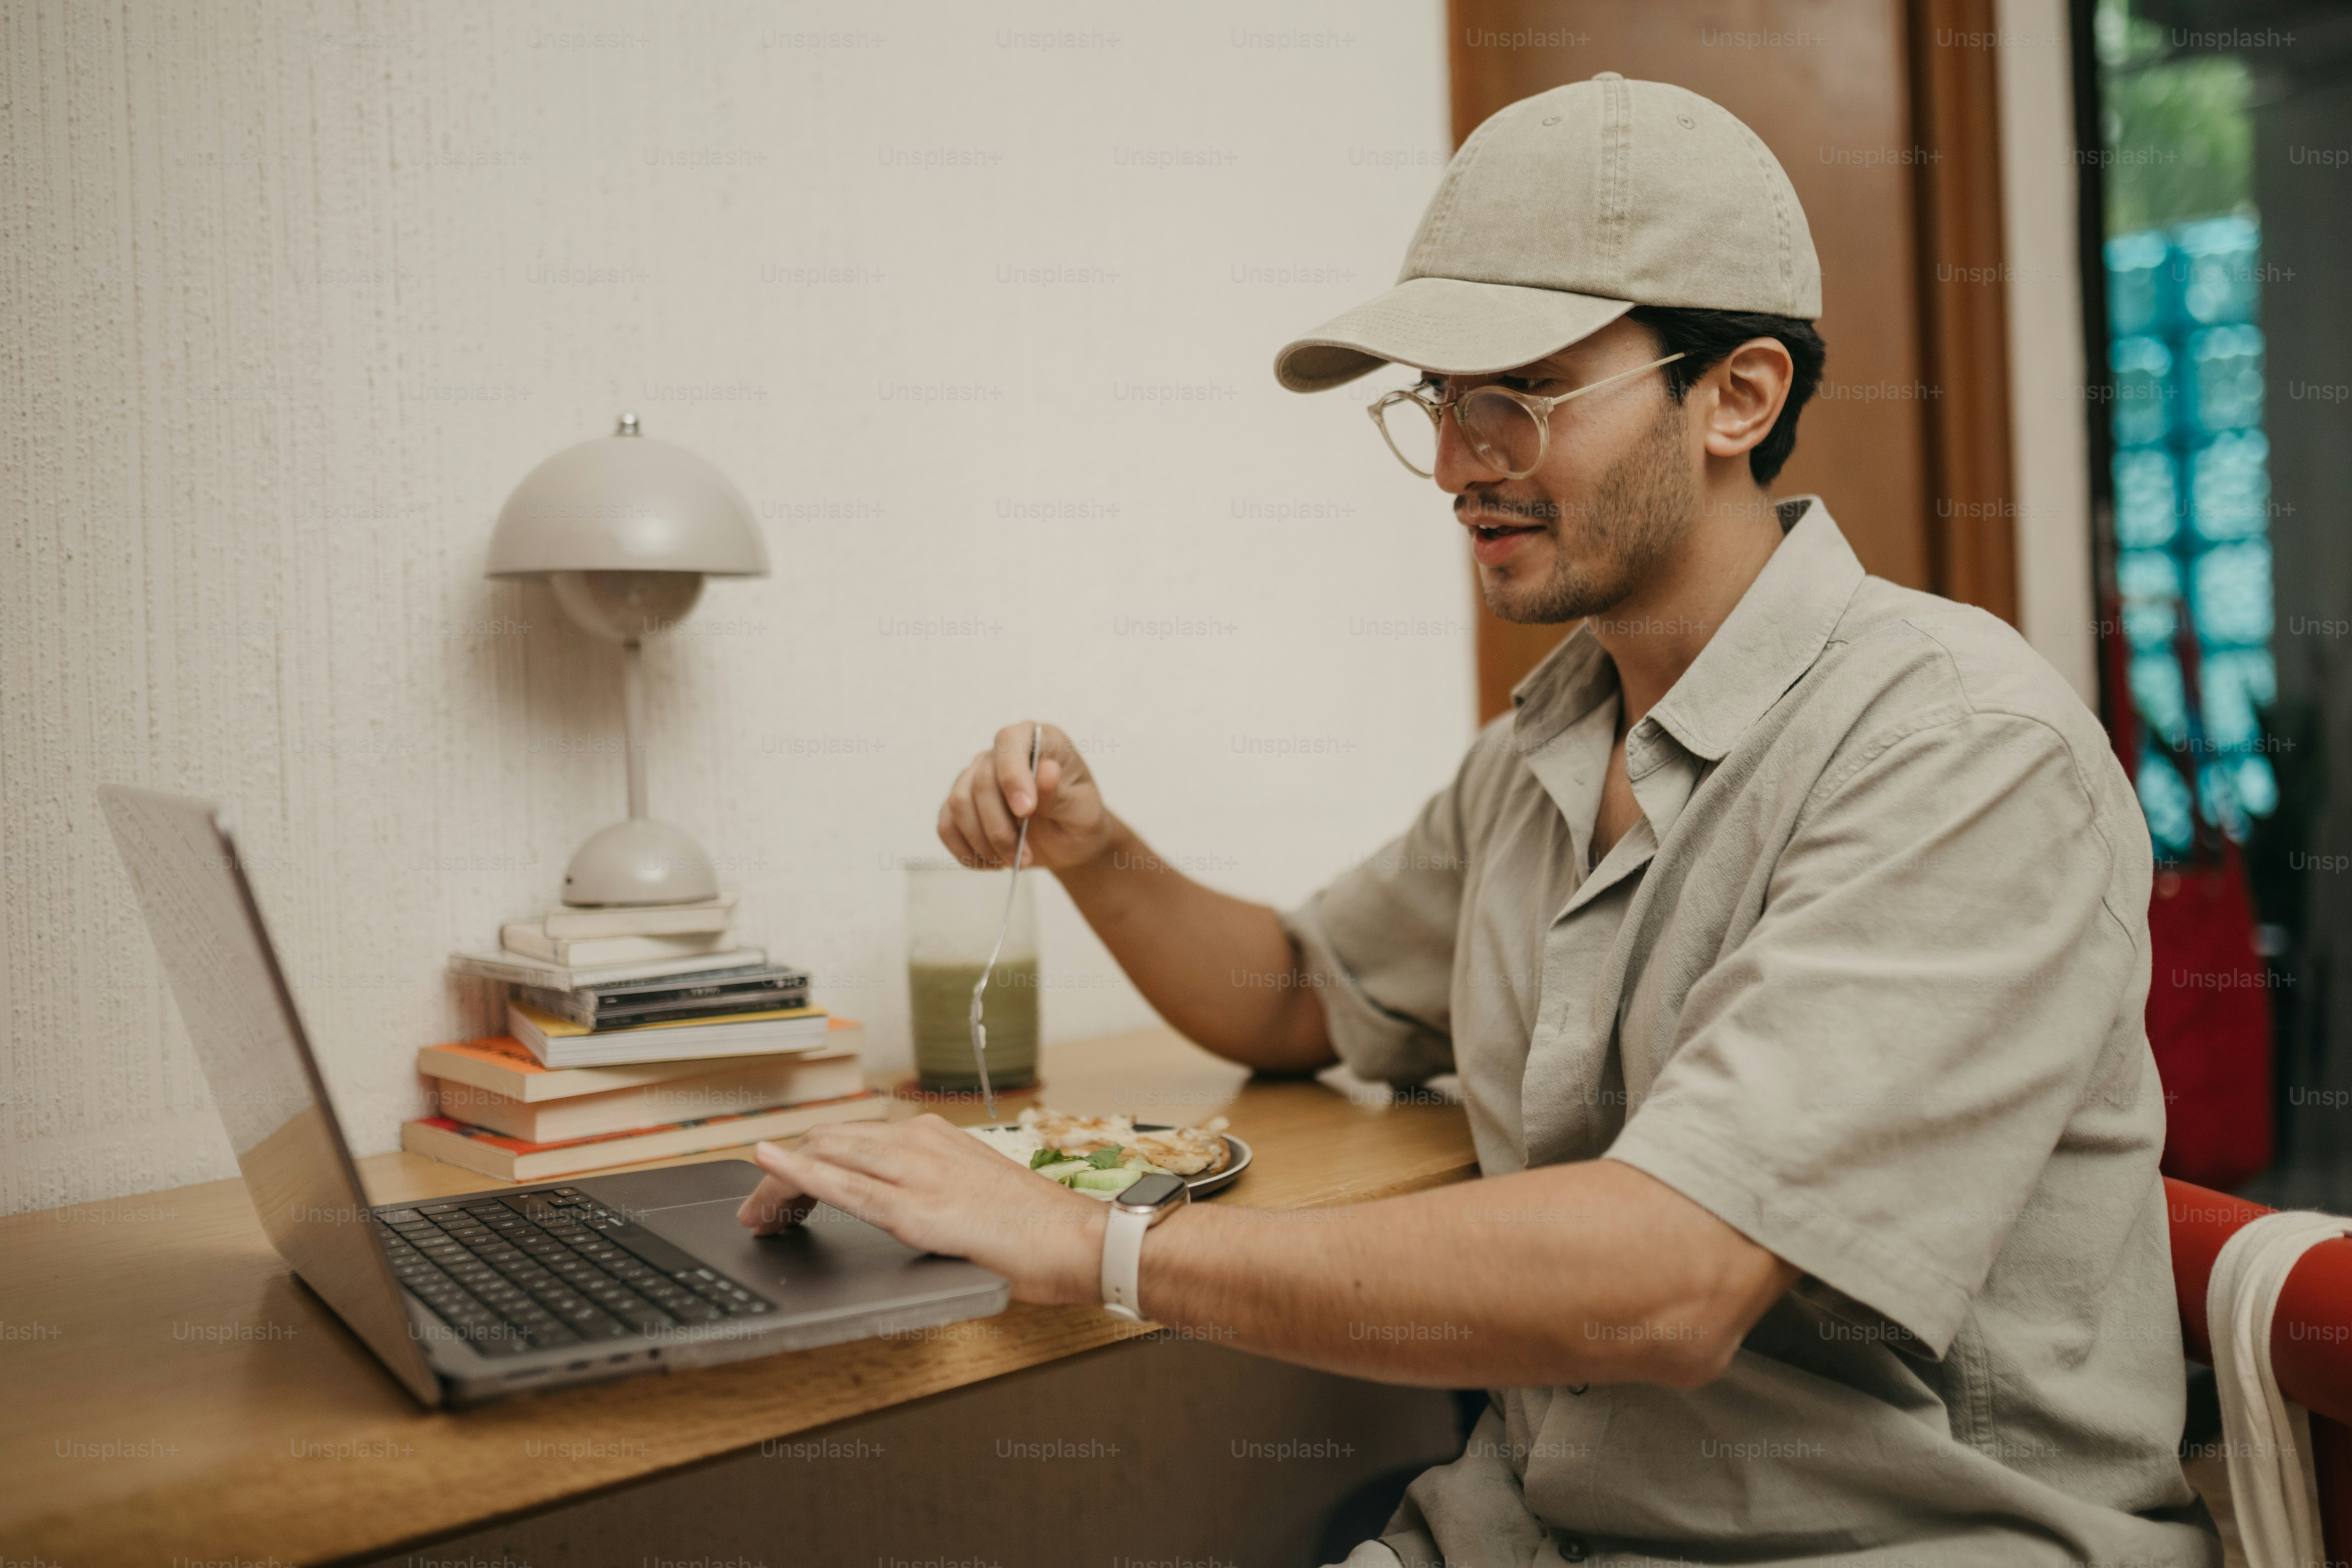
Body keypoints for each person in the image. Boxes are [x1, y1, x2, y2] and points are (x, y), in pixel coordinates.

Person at [739, 74, 2220, 1567]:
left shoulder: (1960, 752)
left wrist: (1093, 1244)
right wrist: (1094, 850)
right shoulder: (1550, 739)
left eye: (1519, 392)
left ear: (1739, 395)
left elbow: (1671, 1279)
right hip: (1518, 1531)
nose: (1457, 461)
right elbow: (1304, 993)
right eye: (1440, 403)